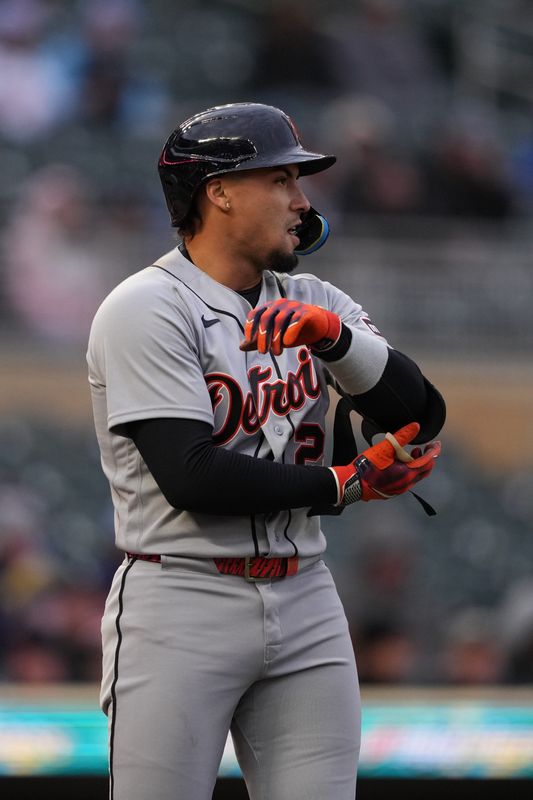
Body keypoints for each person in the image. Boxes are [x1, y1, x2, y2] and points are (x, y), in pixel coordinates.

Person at [87, 102, 445, 800]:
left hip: (304, 592)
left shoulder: (314, 298)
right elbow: (191, 475)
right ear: (218, 191)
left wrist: (335, 339)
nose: (301, 200)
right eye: (280, 180)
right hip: (180, 595)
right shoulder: (147, 306)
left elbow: (419, 411)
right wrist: (341, 484)